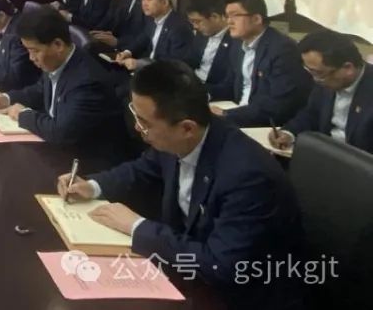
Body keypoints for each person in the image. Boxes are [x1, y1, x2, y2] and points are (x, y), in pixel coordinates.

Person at [58, 60, 304, 306]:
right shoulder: (179, 137)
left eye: (145, 123)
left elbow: (219, 266)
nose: (137, 128)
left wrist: (137, 226)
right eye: (136, 115)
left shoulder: (248, 177)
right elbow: (143, 168)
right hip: (189, 271)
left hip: (242, 296)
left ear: (187, 128)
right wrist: (93, 186)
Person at [0, 8, 130, 158]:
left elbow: (62, 132)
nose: (31, 58)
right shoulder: (57, 61)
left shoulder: (87, 82)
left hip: (86, 159)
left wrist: (23, 115)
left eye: (34, 51)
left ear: (58, 45)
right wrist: (7, 97)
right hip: (59, 150)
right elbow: (40, 90)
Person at [209, 0, 311, 127]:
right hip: (239, 113)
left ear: (256, 19)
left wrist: (227, 115)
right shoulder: (237, 44)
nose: (229, 22)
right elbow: (229, 85)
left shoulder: (282, 49)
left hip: (265, 124)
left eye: (235, 15)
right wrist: (203, 95)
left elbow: (278, 104)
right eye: (227, 16)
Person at [269, 29, 373, 154]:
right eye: (310, 71)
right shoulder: (325, 80)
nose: (315, 79)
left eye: (318, 73)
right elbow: (311, 114)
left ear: (348, 68)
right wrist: (288, 133)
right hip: (325, 154)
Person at [115, 0, 195, 71]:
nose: (144, 4)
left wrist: (139, 64)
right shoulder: (151, 19)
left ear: (165, 3)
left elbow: (173, 64)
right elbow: (141, 40)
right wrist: (127, 52)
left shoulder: (179, 28)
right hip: (148, 69)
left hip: (163, 74)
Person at [185, 0, 233, 88]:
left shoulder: (234, 39)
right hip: (193, 83)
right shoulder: (201, 34)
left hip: (212, 89)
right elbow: (190, 60)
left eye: (197, 21)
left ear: (215, 17)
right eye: (192, 22)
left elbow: (228, 83)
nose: (195, 26)